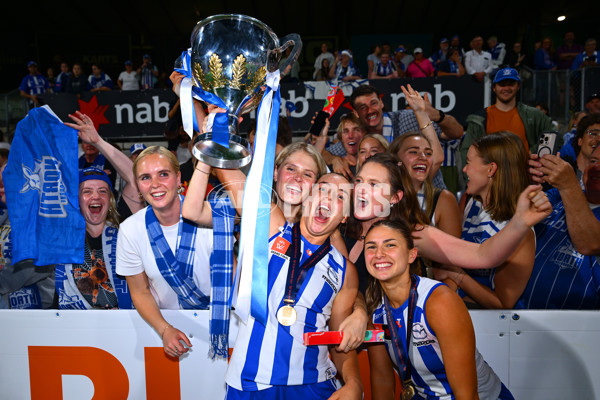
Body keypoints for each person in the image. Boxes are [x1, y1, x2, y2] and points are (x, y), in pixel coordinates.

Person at [365, 219, 514, 399]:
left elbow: (467, 395)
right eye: (371, 247)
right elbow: (382, 379)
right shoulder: (376, 310)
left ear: (412, 255)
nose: (379, 254)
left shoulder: (438, 302)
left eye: (390, 245)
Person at [116, 146, 214, 357]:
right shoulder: (130, 230)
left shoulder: (210, 217)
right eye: (145, 177)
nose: (155, 185)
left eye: (163, 174)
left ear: (178, 179)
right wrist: (164, 329)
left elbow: (233, 276)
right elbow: (140, 291)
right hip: (169, 325)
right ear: (138, 186)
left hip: (220, 322)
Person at [55, 112, 144, 309]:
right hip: (77, 328)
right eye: (87, 191)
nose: (95, 197)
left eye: (102, 191)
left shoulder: (124, 223)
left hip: (126, 324)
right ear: (77, 200)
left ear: (110, 199)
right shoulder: (64, 235)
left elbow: (135, 178)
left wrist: (98, 142)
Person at [437, 132, 535, 309]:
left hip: (496, 328)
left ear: (491, 169)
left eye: (468, 162)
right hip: (458, 307)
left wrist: (458, 277)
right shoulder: (469, 201)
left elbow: (501, 303)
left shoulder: (521, 230)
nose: (464, 170)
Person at [323, 84, 464, 182]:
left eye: (373, 103)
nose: (370, 110)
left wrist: (435, 115)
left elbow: (457, 132)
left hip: (430, 194)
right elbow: (322, 153)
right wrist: (334, 159)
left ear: (381, 103)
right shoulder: (360, 138)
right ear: (356, 113)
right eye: (362, 107)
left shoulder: (408, 118)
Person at [521, 145, 600, 309]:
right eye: (593, 161)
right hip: (519, 314)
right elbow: (515, 214)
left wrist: (569, 185)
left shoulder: (568, 190)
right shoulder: (558, 196)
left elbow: (590, 243)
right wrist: (526, 182)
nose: (596, 167)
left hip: (571, 327)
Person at [461, 67, 554, 165]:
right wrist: (474, 177)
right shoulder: (479, 119)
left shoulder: (534, 115)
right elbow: (466, 152)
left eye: (511, 84)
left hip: (525, 176)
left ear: (518, 86)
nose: (506, 88)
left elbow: (554, 136)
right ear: (494, 88)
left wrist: (532, 153)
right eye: (502, 84)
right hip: (492, 177)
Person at [0, 162, 55, 309]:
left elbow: (30, 266)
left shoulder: (42, 219)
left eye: (7, 181)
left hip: (32, 309)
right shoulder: (6, 214)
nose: (2, 188)